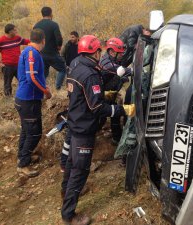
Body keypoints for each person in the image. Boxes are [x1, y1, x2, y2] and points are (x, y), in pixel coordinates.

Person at [61, 35, 135, 225]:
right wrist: (122, 109)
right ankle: (69, 215)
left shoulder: (76, 64)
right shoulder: (91, 74)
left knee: (71, 162)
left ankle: (65, 190)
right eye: (98, 50)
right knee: (80, 170)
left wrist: (101, 93)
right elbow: (97, 108)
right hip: (84, 127)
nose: (99, 53)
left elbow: (82, 93)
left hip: (75, 120)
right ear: (94, 51)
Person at [15, 28, 52, 177]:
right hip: (28, 100)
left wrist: (43, 86)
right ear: (43, 40)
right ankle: (23, 165)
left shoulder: (27, 51)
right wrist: (45, 91)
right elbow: (32, 78)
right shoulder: (32, 53)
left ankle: (22, 157)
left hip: (24, 99)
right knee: (35, 133)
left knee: (26, 131)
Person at [99, 37, 131, 145]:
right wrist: (133, 70)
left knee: (116, 114)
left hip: (112, 91)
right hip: (103, 94)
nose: (122, 55)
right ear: (112, 52)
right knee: (101, 118)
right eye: (119, 52)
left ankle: (116, 138)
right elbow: (116, 70)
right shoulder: (105, 62)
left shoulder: (115, 59)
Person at [0, 24, 30, 96]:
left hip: (19, 65)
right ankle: (8, 99)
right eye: (15, 30)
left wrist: (36, 42)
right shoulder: (0, 41)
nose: (16, 31)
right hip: (7, 66)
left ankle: (25, 95)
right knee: (7, 83)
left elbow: (27, 41)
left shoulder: (17, 38)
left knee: (24, 80)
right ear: (10, 32)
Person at [59, 31, 79, 172]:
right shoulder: (67, 46)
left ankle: (65, 163)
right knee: (71, 135)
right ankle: (65, 163)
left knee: (71, 135)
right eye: (70, 36)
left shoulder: (79, 49)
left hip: (75, 109)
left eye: (73, 36)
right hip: (76, 112)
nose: (71, 39)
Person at [33, 6, 66, 90]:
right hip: (52, 53)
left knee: (43, 74)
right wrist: (59, 46)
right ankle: (57, 88)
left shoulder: (36, 26)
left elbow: (33, 41)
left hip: (40, 54)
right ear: (51, 13)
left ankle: (42, 89)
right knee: (62, 69)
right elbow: (59, 39)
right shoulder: (54, 24)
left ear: (42, 14)